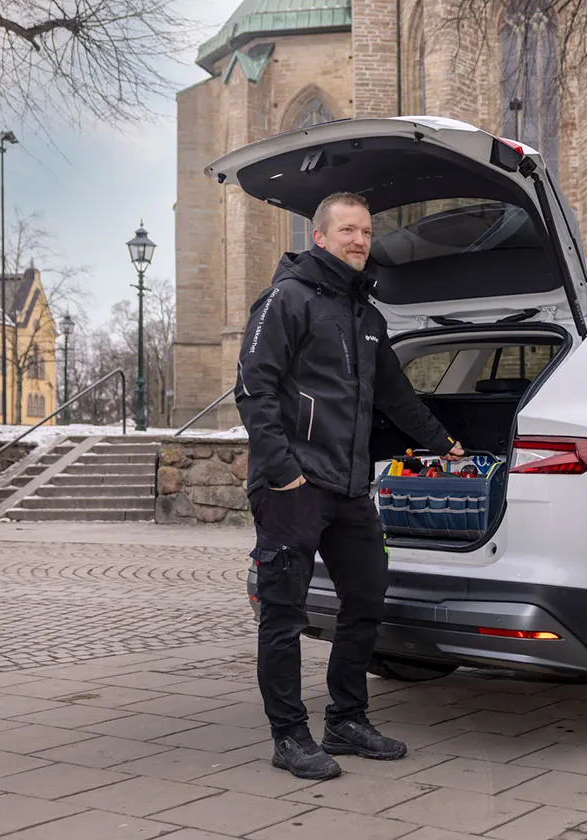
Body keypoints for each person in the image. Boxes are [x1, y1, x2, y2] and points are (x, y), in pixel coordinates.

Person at [236, 191, 464, 780]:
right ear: (319, 236)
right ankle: (289, 735)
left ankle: (346, 719)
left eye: (365, 231)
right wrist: (282, 468)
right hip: (293, 486)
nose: (359, 241)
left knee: (366, 598)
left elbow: (395, 396)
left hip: (350, 487)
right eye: (347, 231)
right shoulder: (286, 300)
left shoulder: (368, 315)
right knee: (283, 614)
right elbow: (253, 387)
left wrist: (443, 442)